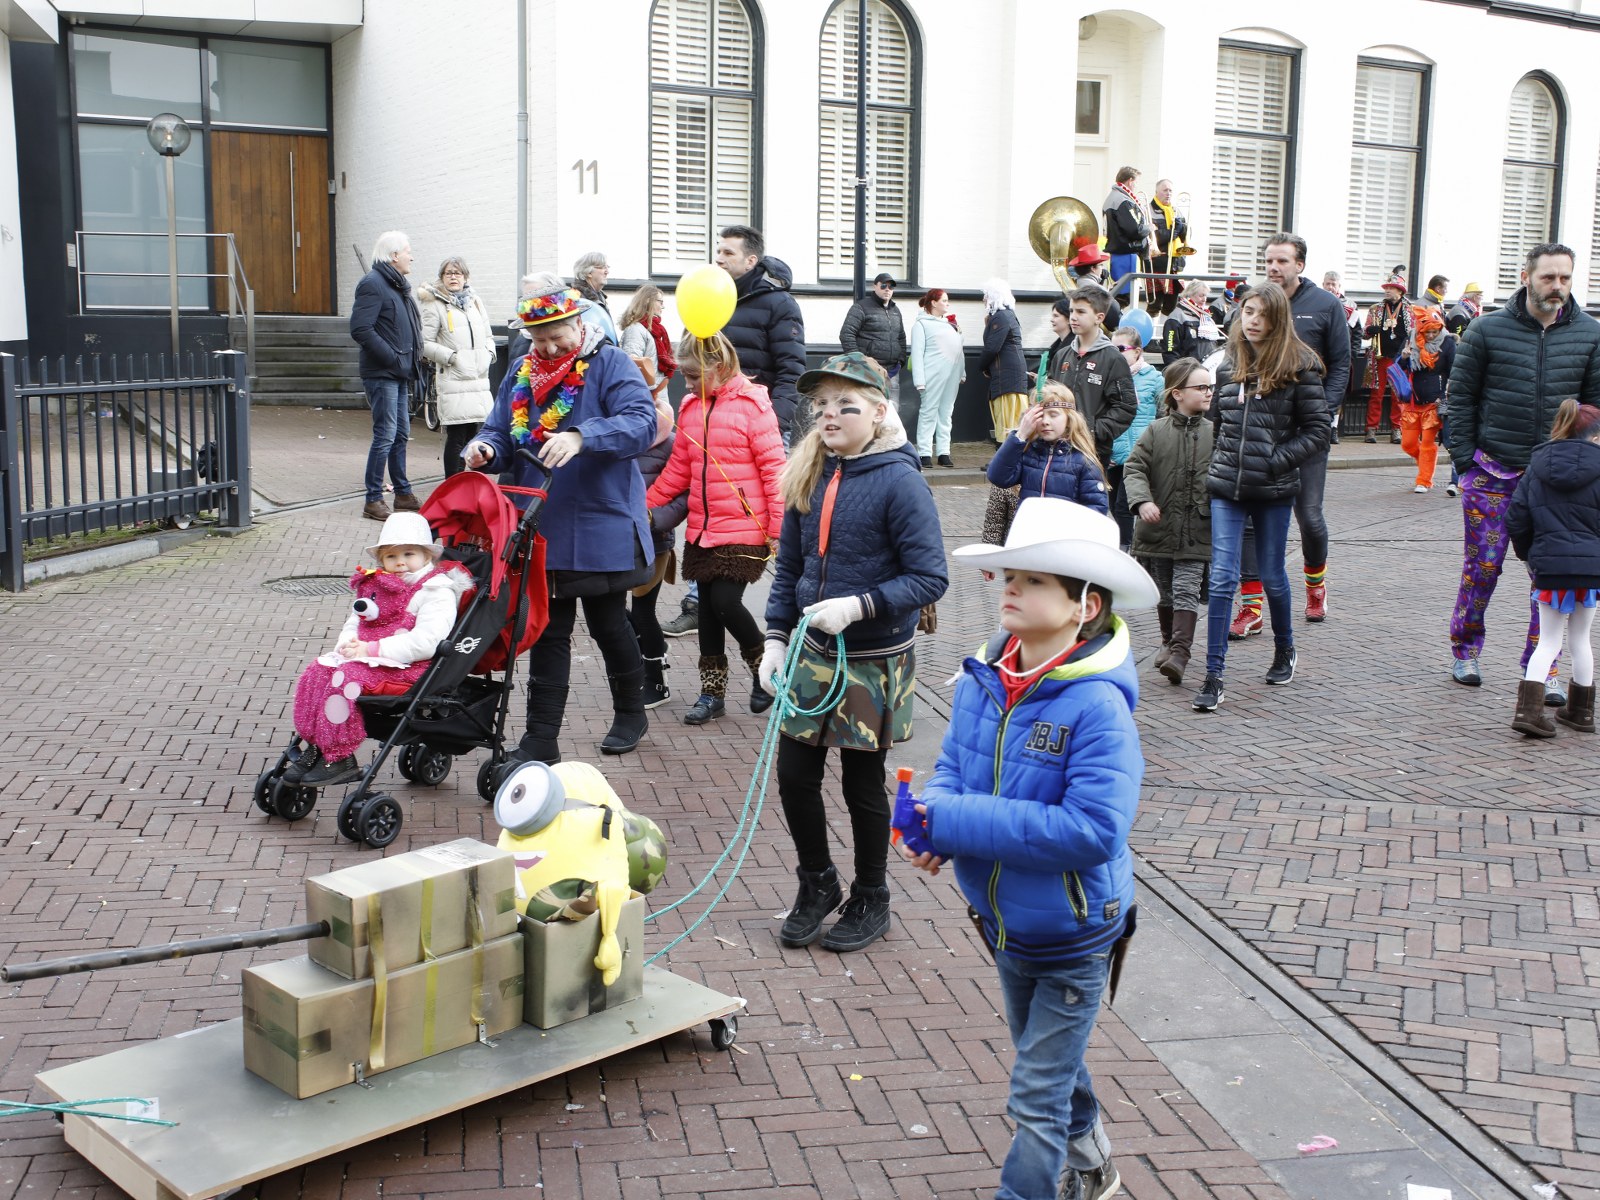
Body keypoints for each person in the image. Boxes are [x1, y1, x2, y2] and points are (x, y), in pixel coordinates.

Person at [906, 495, 1156, 1200]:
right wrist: (934, 825)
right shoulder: (986, 676)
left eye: (1035, 579)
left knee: (1035, 1095)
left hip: (1074, 930)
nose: (1010, 588)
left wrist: (955, 821)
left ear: (1085, 605)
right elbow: (953, 768)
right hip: (1003, 920)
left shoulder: (1098, 705)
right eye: (1011, 575)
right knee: (1046, 1060)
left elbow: (1093, 831)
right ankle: (1095, 1163)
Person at [759, 353, 947, 954]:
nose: (830, 415)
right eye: (821, 405)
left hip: (873, 656)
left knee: (862, 785)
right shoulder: (809, 472)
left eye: (846, 405)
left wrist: (859, 605)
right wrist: (775, 638)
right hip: (811, 652)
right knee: (794, 776)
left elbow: (930, 577)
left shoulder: (901, 481)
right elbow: (790, 567)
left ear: (879, 412)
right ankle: (817, 883)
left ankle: (872, 895)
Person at [464, 284, 659, 760]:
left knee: (609, 623)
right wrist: (486, 448)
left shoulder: (610, 363)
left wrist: (581, 436)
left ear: (578, 324)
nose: (549, 348)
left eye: (558, 337)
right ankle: (541, 738)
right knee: (548, 630)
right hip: (542, 521)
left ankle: (631, 711)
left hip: (600, 518)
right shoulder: (521, 370)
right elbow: (501, 429)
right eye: (540, 339)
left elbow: (642, 422)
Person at [1446, 243, 1600, 694]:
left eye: (1565, 278)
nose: (1557, 286)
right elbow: (1461, 398)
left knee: (1552, 575)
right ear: (1526, 277)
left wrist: (1585, 464)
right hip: (1492, 470)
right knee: (1482, 568)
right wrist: (1464, 462)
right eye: (1548, 277)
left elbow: (1595, 407)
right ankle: (1465, 650)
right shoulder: (1486, 329)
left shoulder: (1590, 334)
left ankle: (1542, 667)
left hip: (1555, 478)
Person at [663, 225, 807, 641]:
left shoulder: (778, 303)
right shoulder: (706, 296)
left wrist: (773, 419)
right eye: (718, 251)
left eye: (728, 252)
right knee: (708, 502)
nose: (719, 258)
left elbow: (792, 369)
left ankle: (781, 611)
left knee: (757, 507)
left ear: (751, 260)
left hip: (755, 422)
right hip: (709, 417)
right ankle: (698, 603)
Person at [1193, 282, 1330, 712]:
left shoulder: (1300, 366)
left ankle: (1285, 649)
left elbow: (1319, 431)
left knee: (1272, 574)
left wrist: (1275, 460)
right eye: (1247, 311)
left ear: (1278, 319)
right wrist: (1216, 467)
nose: (1252, 320)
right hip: (1227, 487)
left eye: (1262, 314)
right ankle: (1214, 674)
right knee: (1222, 578)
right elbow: (1218, 425)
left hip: (1272, 489)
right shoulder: (1228, 363)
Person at [646, 333, 785, 725]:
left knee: (725, 602)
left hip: (745, 527)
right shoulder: (691, 406)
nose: (687, 384)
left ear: (719, 368)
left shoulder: (753, 405)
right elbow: (678, 470)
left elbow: (775, 471)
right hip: (702, 530)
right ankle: (712, 693)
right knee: (706, 612)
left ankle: (765, 672)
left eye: (693, 375)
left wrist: (778, 528)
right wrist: (645, 506)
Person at [285, 512, 470, 786]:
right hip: (370, 659)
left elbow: (426, 642)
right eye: (391, 556)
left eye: (409, 554)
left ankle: (340, 756)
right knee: (317, 671)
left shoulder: (436, 591)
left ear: (426, 557)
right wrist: (348, 645)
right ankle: (318, 745)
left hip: (410, 668)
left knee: (344, 679)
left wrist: (372, 649)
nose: (400, 562)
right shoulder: (377, 587)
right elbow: (355, 622)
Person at [1228, 234, 1350, 632]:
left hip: (1306, 431)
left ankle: (1315, 585)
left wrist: (1323, 413)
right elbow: (1235, 358)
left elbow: (1342, 364)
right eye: (1268, 260)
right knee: (1249, 519)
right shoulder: (1254, 303)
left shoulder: (1325, 305)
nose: (1273, 267)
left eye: (1282, 261)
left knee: (1309, 516)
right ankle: (1252, 607)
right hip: (1261, 430)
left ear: (1300, 265)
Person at [1506, 399, 1600, 736]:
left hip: (1550, 566)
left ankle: (1528, 712)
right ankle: (1581, 713)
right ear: (1594, 436)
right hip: (1590, 570)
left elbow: (1516, 518)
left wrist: (1528, 556)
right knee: (1581, 639)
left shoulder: (1537, 465)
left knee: (1547, 641)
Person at [1125, 357, 1215, 686]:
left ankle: (1180, 652)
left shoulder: (1215, 433)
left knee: (1186, 590)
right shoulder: (1156, 430)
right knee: (1164, 593)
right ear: (1177, 393)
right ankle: (1167, 641)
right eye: (1201, 387)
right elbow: (1134, 468)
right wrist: (1142, 501)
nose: (1208, 392)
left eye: (1210, 387)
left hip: (1197, 531)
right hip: (1158, 530)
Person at [350, 230, 423, 522]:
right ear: (394, 256)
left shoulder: (395, 285)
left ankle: (402, 493)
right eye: (407, 251)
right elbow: (361, 329)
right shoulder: (373, 283)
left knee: (400, 433)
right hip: (383, 372)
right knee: (385, 434)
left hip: (398, 372)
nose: (411, 257)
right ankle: (373, 499)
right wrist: (393, 358)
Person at [629, 357, 685, 712]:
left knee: (643, 612)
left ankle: (656, 680)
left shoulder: (671, 441)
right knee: (611, 613)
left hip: (653, 541)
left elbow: (684, 495)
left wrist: (654, 519)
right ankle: (644, 656)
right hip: (613, 540)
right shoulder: (611, 434)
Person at [416, 257, 495, 478]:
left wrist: (489, 354)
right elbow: (424, 343)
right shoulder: (434, 304)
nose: (453, 277)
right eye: (448, 273)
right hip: (454, 379)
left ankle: (470, 484)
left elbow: (488, 335)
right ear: (442, 277)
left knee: (475, 435)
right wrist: (451, 357)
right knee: (457, 435)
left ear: (465, 277)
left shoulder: (475, 301)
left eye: (457, 273)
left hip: (478, 379)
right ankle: (453, 484)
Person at [986, 383, 1108, 518]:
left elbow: (1096, 508)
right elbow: (998, 477)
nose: (1045, 421)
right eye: (1040, 415)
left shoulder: (1083, 461)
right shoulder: (1028, 452)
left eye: (1053, 415)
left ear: (1069, 419)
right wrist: (1020, 435)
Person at [1047, 287, 1136, 467]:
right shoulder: (1062, 355)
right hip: (1058, 448)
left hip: (1093, 452)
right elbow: (1050, 397)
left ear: (1099, 317)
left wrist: (1092, 430)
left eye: (1081, 312)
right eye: (1071, 311)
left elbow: (1126, 407)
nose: (1073, 317)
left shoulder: (1113, 359)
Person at [1109, 327, 1162, 548]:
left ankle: (1126, 551)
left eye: (1120, 349)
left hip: (1138, 455)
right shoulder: (1110, 377)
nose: (1114, 354)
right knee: (1112, 504)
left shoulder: (1154, 378)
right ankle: (1128, 545)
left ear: (1137, 351)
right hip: (1114, 453)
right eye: (1111, 349)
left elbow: (1164, 413)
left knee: (1124, 506)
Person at [909, 288, 965, 468]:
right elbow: (917, 354)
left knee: (946, 413)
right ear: (933, 303)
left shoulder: (950, 324)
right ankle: (924, 453)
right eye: (944, 300)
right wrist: (919, 380)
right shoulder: (921, 325)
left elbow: (959, 350)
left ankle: (943, 452)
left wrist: (962, 372)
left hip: (952, 374)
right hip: (932, 375)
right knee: (929, 412)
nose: (948, 304)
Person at [1402, 303, 1454, 493]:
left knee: (1427, 443)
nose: (1430, 335)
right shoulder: (1411, 339)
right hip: (1412, 400)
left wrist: (1443, 395)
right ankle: (1425, 463)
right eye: (1426, 332)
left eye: (1434, 331)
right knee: (1408, 444)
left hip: (1434, 401)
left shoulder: (1447, 343)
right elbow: (1399, 367)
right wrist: (1404, 357)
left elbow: (1453, 371)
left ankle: (1424, 480)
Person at [839, 272, 908, 416]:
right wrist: (860, 362)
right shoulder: (861, 307)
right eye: (883, 286)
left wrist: (900, 360)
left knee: (892, 412)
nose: (887, 289)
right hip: (869, 372)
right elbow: (846, 334)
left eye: (891, 287)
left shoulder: (895, 311)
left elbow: (901, 337)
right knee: (868, 411)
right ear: (875, 286)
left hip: (892, 372)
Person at [1441, 282, 1483, 497]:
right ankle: (1459, 479)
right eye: (1479, 294)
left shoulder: (1472, 312)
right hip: (1458, 385)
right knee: (1456, 438)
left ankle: (1456, 480)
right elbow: (1460, 339)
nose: (1481, 298)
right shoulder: (1460, 312)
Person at [1363, 272, 1415, 444]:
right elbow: (1364, 333)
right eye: (1386, 288)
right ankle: (1371, 429)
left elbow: (1416, 334)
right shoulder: (1375, 309)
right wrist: (1369, 330)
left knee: (1398, 395)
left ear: (1400, 291)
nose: (1387, 290)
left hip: (1400, 359)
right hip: (1380, 358)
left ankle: (1396, 429)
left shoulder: (1410, 310)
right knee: (1376, 395)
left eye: (1391, 288)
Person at [981, 279, 1029, 443]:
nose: (983, 299)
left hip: (1007, 376)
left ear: (994, 296)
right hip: (1009, 374)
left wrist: (982, 366)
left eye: (986, 295)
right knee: (1011, 420)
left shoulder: (1001, 317)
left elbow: (992, 347)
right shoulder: (1005, 316)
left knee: (1007, 420)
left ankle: (1006, 453)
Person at [1101, 165, 1153, 305]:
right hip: (1127, 253)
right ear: (1130, 181)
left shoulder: (1112, 197)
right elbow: (1134, 230)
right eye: (1136, 182)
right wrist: (1149, 228)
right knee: (1125, 296)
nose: (1136, 186)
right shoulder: (1123, 200)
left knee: (1121, 295)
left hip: (1118, 252)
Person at [617, 284, 677, 397]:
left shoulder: (654, 331)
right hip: (645, 396)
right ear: (648, 301)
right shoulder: (635, 330)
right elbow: (632, 366)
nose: (663, 307)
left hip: (656, 395)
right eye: (660, 302)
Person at [1148, 177, 1189, 317]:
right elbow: (1152, 237)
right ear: (1157, 192)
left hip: (1175, 264)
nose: (1168, 193)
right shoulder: (1149, 210)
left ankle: (1166, 328)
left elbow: (1185, 237)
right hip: (1157, 264)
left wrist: (1182, 229)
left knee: (1172, 306)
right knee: (1155, 304)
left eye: (1170, 191)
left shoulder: (1176, 210)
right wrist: (1173, 232)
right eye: (1165, 190)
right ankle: (1151, 330)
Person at [1066, 243, 1122, 332]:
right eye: (1101, 265)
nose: (1102, 268)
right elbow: (1114, 317)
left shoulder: (1077, 282)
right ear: (1093, 268)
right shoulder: (1096, 289)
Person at [1162, 281, 1221, 366]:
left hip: (1208, 366)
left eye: (1205, 296)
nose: (1204, 299)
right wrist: (1178, 371)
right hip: (1188, 369)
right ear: (1189, 295)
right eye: (1201, 296)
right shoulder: (1177, 316)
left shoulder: (1205, 316)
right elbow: (1170, 351)